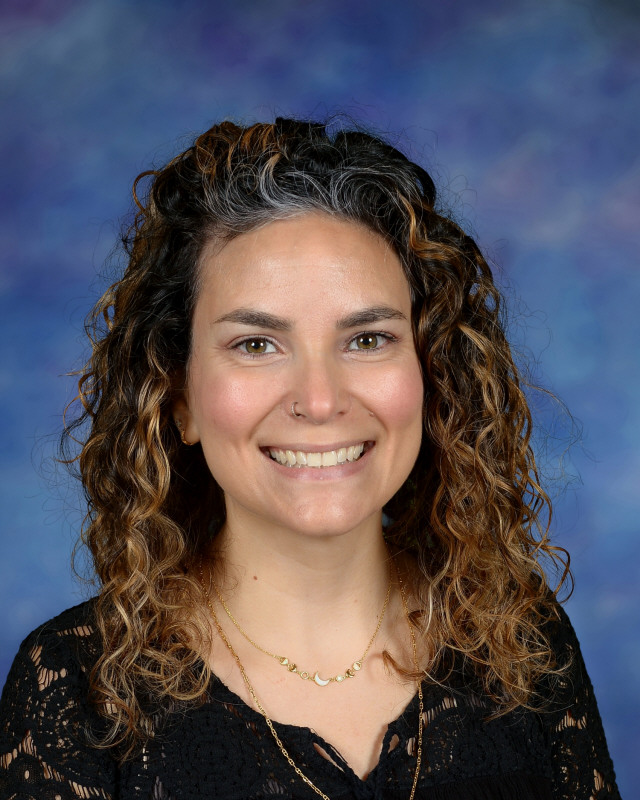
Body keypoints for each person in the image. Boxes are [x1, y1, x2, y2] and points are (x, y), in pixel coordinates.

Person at [0, 118, 620, 800]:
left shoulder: (521, 641)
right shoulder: (79, 685)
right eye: (256, 345)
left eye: (368, 339)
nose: (320, 401)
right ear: (176, 397)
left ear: (432, 373)